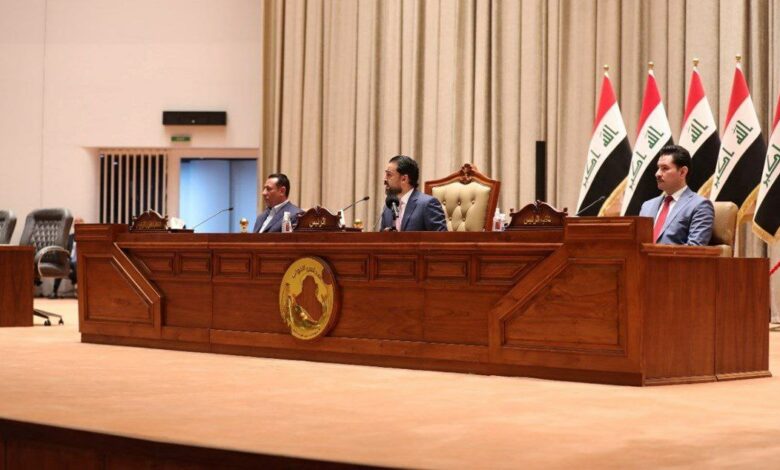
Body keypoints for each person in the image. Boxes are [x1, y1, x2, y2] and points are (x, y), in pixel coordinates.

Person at [639, 145, 713, 245]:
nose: (657, 174)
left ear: (682, 172)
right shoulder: (647, 206)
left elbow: (694, 249)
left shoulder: (700, 205)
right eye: (658, 168)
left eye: (665, 168)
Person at [380, 155, 448, 232]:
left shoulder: (427, 204)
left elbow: (441, 238)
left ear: (404, 179)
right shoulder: (388, 207)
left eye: (389, 175)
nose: (385, 179)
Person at [52, 216, 83, 298]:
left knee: (76, 264)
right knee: (60, 265)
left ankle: (78, 289)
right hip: (69, 260)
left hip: (80, 261)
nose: (77, 224)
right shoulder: (69, 237)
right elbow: (64, 249)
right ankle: (54, 292)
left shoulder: (85, 238)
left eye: (79, 223)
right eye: (75, 223)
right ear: (73, 226)